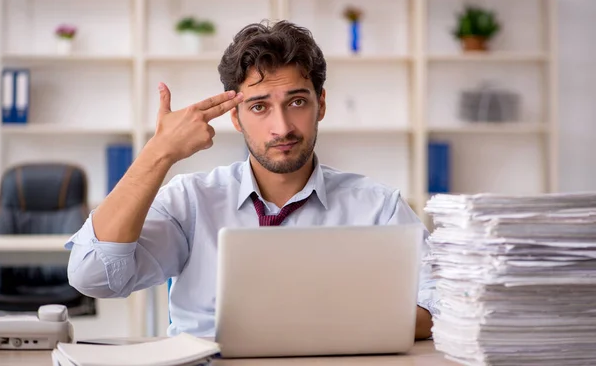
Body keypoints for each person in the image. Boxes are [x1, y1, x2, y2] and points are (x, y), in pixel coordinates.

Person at [66, 20, 437, 340]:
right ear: (236, 117)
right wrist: (158, 153)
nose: (282, 127)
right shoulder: (191, 200)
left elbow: (442, 307)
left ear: (320, 104)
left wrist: (322, 325)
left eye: (296, 102)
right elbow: (93, 276)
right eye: (259, 106)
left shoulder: (378, 208)